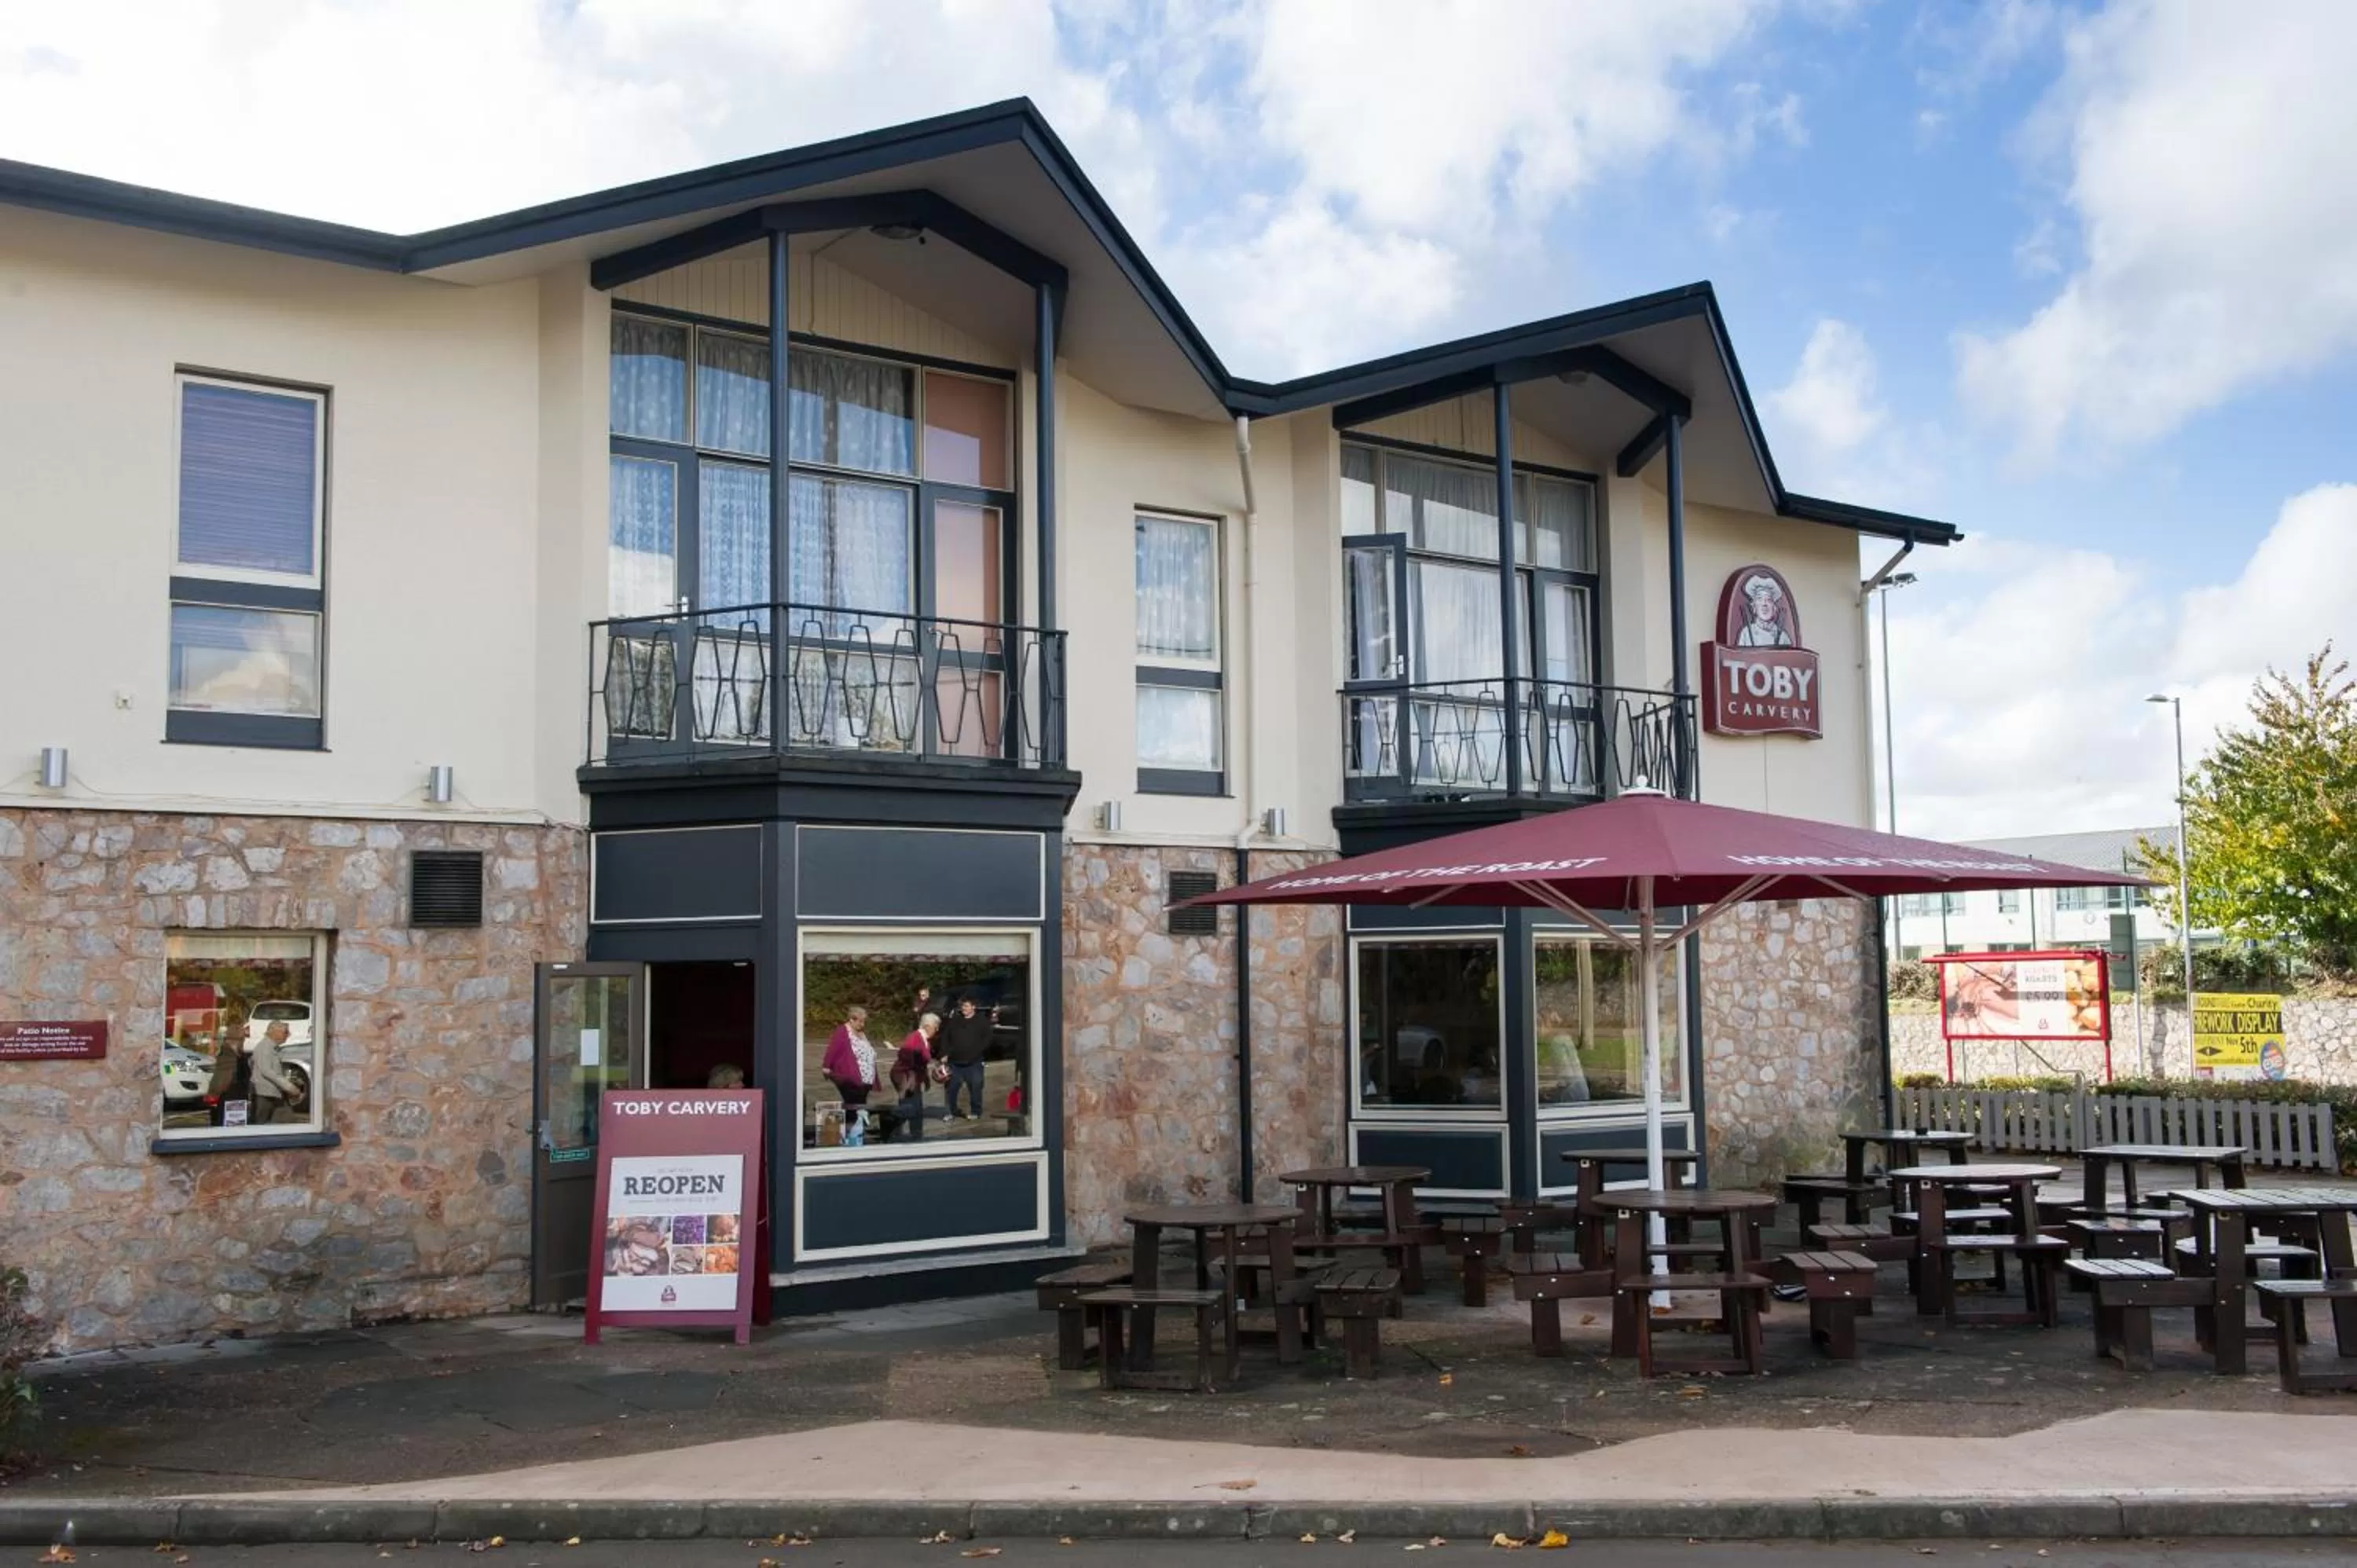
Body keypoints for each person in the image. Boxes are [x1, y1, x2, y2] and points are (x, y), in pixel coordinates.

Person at [935, 996, 996, 1122]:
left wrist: (977, 1051)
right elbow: (945, 1038)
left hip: (974, 1062)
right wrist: (944, 1054)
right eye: (963, 1006)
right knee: (951, 1088)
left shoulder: (982, 1021)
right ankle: (950, 1112)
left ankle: (975, 1112)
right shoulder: (954, 1021)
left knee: (976, 1086)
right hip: (954, 1062)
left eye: (967, 1006)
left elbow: (988, 1039)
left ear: (974, 1007)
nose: (964, 1009)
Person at [820, 1006, 878, 1138]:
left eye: (864, 1022)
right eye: (860, 1021)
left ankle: (856, 1136)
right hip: (850, 1077)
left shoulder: (861, 1033)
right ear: (852, 1019)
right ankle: (849, 1136)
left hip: (865, 1079)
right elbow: (833, 1049)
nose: (863, 1025)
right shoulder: (843, 1031)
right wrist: (826, 1066)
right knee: (852, 1105)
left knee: (859, 1107)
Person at [889, 1013, 940, 1141]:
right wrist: (911, 1077)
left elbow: (922, 1062)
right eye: (936, 1026)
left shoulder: (924, 1039)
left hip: (914, 1077)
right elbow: (905, 1055)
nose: (937, 1029)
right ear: (928, 1026)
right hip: (905, 1076)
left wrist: (926, 1078)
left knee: (916, 1107)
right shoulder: (915, 1037)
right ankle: (896, 1133)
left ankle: (916, 1134)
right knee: (909, 1106)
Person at [247, 1020, 298, 1126]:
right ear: (275, 1032)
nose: (288, 1035)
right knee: (259, 1126)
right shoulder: (264, 1047)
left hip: (274, 1093)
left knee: (285, 1122)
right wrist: (288, 1087)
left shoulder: (271, 1048)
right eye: (286, 1032)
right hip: (264, 1094)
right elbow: (266, 1071)